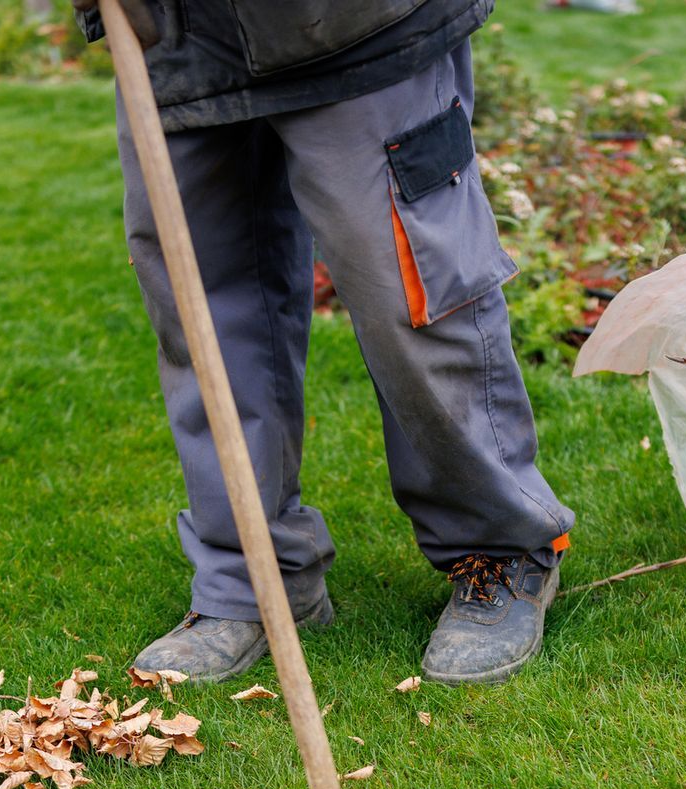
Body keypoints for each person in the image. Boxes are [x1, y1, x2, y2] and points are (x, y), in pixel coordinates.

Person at [77, 0, 575, 685]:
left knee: (407, 283)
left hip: (356, 23)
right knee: (201, 308)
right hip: (178, 36)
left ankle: (499, 547)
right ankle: (254, 575)